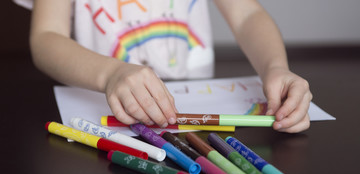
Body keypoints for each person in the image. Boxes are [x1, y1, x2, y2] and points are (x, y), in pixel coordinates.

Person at [14, 0, 312, 133]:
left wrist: (275, 67)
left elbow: (246, 13)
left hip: (197, 123)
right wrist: (111, 73)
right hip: (100, 117)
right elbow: (46, 38)